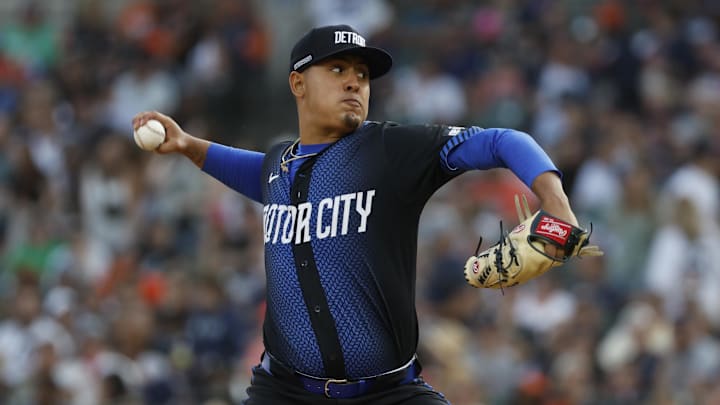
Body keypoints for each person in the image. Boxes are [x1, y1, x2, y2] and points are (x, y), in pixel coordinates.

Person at [133, 24, 585, 405]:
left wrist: (557, 203)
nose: (355, 82)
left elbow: (502, 140)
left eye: (363, 75)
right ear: (297, 84)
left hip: (388, 393)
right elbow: (254, 172)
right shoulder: (279, 165)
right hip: (284, 391)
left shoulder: (390, 150)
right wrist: (190, 146)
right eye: (337, 69)